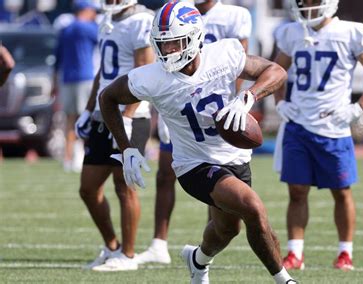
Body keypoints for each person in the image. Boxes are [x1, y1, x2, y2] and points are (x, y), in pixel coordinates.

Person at [99, 2, 296, 283]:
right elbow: (108, 98)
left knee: (227, 229)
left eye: (174, 44)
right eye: (162, 45)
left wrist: (248, 97)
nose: (168, 52)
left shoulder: (224, 54)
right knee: (253, 207)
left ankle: (197, 260)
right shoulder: (151, 77)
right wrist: (126, 146)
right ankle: (285, 280)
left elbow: (276, 71)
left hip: (234, 156)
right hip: (194, 165)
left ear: (194, 38)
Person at [273, 0, 363, 271]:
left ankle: (345, 253)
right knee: (297, 191)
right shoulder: (292, 32)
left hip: (333, 127)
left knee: (341, 191)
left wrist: (359, 107)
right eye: (303, 2)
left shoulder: (349, 32)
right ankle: (295, 254)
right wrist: (280, 102)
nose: (306, 6)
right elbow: (276, 71)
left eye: (312, 1)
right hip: (298, 124)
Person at [136, 0, 252, 265]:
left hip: (218, 106)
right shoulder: (173, 11)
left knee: (220, 186)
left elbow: (240, 65)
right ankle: (159, 243)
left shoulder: (235, 16)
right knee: (166, 174)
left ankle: (210, 244)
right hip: (180, 103)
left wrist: (237, 102)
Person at [74, 0, 155, 271]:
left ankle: (128, 255)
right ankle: (112, 247)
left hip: (131, 115)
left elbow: (145, 70)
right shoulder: (106, 20)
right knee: (88, 188)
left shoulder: (142, 20)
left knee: (124, 186)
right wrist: (87, 110)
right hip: (102, 113)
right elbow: (102, 72)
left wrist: (129, 116)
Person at [53, 1, 98, 173]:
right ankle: (81, 155)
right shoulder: (87, 28)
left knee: (70, 120)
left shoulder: (66, 29)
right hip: (84, 78)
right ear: (86, 10)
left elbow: (57, 59)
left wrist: (53, 81)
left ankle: (68, 157)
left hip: (67, 79)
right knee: (85, 118)